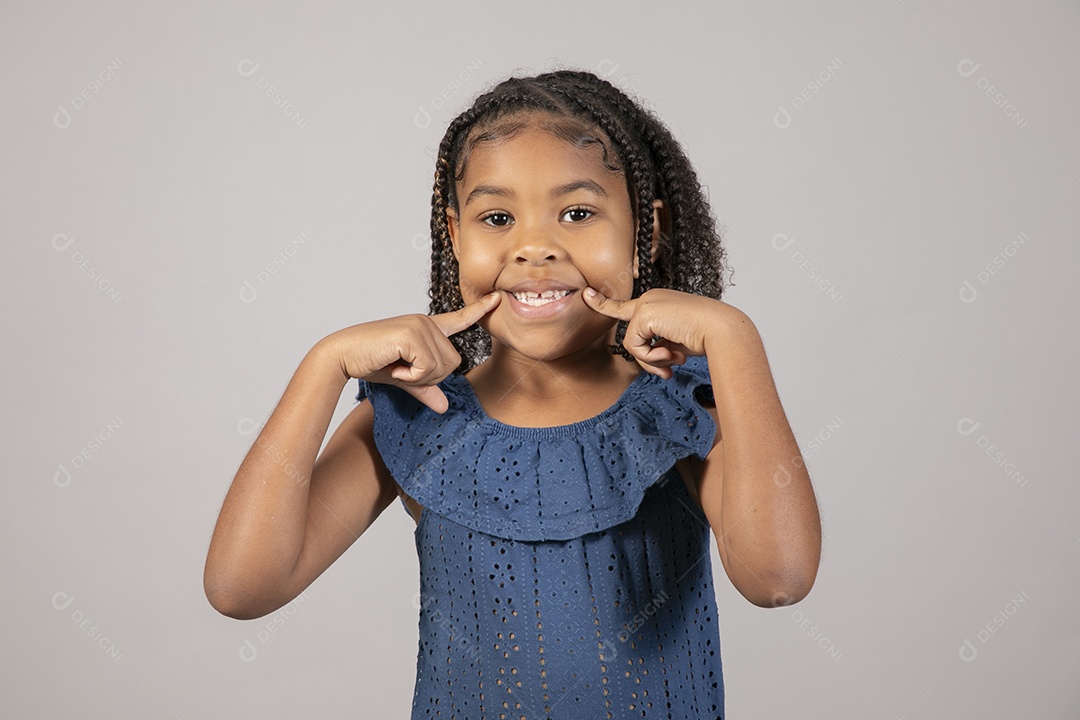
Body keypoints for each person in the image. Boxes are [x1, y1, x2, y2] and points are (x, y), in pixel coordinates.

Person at [205, 69, 822, 719]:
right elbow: (241, 588)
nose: (534, 248)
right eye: (497, 217)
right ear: (454, 236)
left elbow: (778, 577)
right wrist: (323, 365)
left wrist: (733, 341)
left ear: (648, 232)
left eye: (578, 213)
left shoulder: (679, 409)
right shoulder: (422, 416)